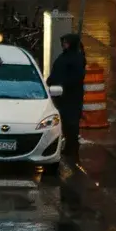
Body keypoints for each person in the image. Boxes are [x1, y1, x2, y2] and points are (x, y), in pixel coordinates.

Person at [48, 31, 87, 159]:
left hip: (71, 95)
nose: (64, 45)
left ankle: (72, 147)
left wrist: (62, 83)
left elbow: (76, 77)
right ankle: (69, 146)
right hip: (62, 95)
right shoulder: (66, 56)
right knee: (65, 121)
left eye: (66, 43)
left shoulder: (75, 58)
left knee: (71, 122)